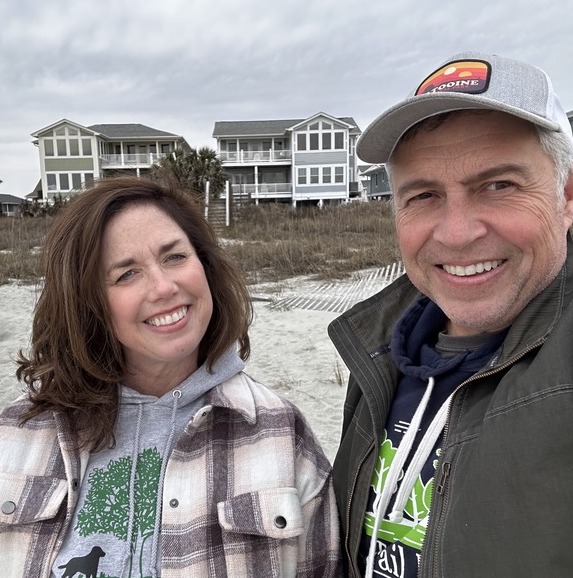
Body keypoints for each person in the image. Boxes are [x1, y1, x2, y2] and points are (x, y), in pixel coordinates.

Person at [328, 51, 573, 577]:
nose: (456, 232)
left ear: (567, 194)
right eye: (424, 195)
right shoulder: (383, 349)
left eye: (499, 186)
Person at [0, 175, 341, 577]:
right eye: (126, 273)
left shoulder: (280, 433)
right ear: (87, 303)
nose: (164, 287)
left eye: (175, 257)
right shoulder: (19, 435)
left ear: (206, 266)